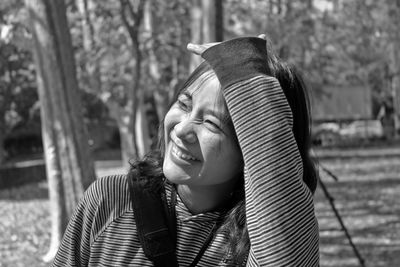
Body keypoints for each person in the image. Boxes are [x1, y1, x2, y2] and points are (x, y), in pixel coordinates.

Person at [52, 36, 319, 266]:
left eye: (212, 124)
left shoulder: (262, 240)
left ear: (251, 151)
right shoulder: (109, 202)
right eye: (184, 104)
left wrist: (246, 75)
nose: (181, 130)